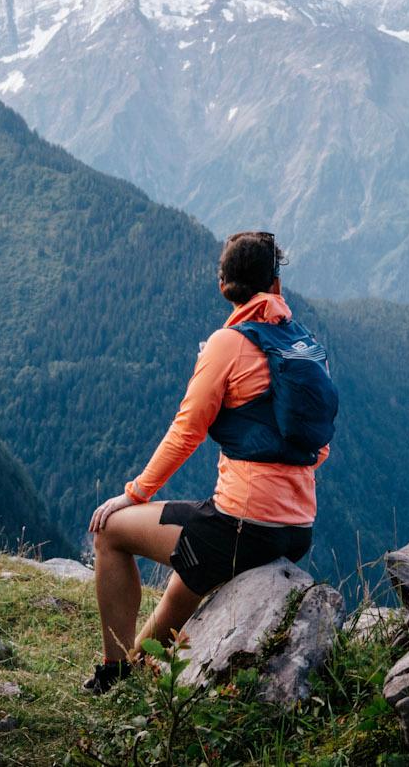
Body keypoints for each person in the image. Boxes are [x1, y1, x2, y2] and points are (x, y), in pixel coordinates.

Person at [81, 231, 330, 694]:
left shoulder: (227, 343)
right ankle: (131, 674)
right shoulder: (303, 345)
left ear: (224, 287)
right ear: (276, 284)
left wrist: (133, 494)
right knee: (184, 582)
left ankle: (112, 670)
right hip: (297, 527)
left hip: (242, 524)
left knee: (110, 533)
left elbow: (186, 430)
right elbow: (319, 444)